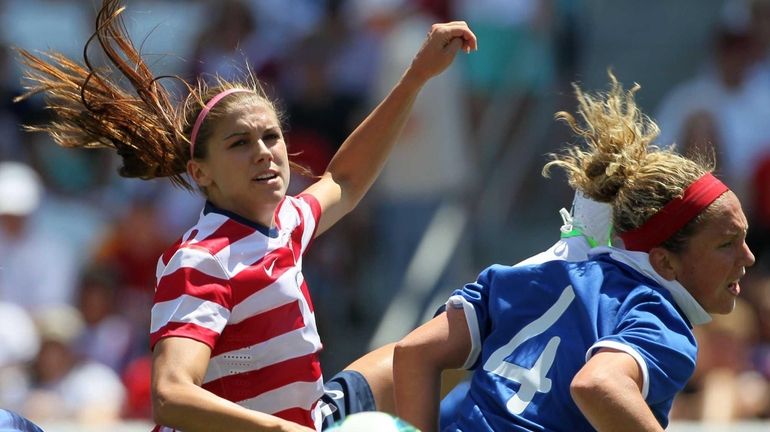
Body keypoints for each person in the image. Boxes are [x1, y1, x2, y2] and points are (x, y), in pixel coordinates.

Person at [15, 1, 477, 431]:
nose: (264, 153)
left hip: (304, 419)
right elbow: (171, 393)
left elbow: (345, 181)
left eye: (271, 138)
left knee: (418, 355)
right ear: (201, 173)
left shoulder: (286, 222)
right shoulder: (201, 260)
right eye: (240, 143)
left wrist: (416, 77)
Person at [393, 73, 756, 431]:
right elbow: (598, 384)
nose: (748, 257)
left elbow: (414, 352)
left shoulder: (528, 276)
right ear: (664, 261)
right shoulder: (656, 315)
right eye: (727, 244)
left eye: (744, 238)